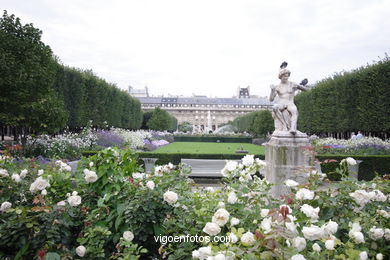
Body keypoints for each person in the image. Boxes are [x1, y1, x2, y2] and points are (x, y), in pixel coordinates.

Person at [269, 67, 308, 134]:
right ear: (280, 76)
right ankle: (284, 124)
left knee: (294, 111)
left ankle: (293, 129)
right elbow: (271, 99)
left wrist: (300, 86)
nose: (286, 78)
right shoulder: (277, 87)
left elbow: (305, 89)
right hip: (281, 103)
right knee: (274, 107)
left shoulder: (292, 84)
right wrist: (272, 91)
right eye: (284, 76)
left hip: (290, 103)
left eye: (287, 76)